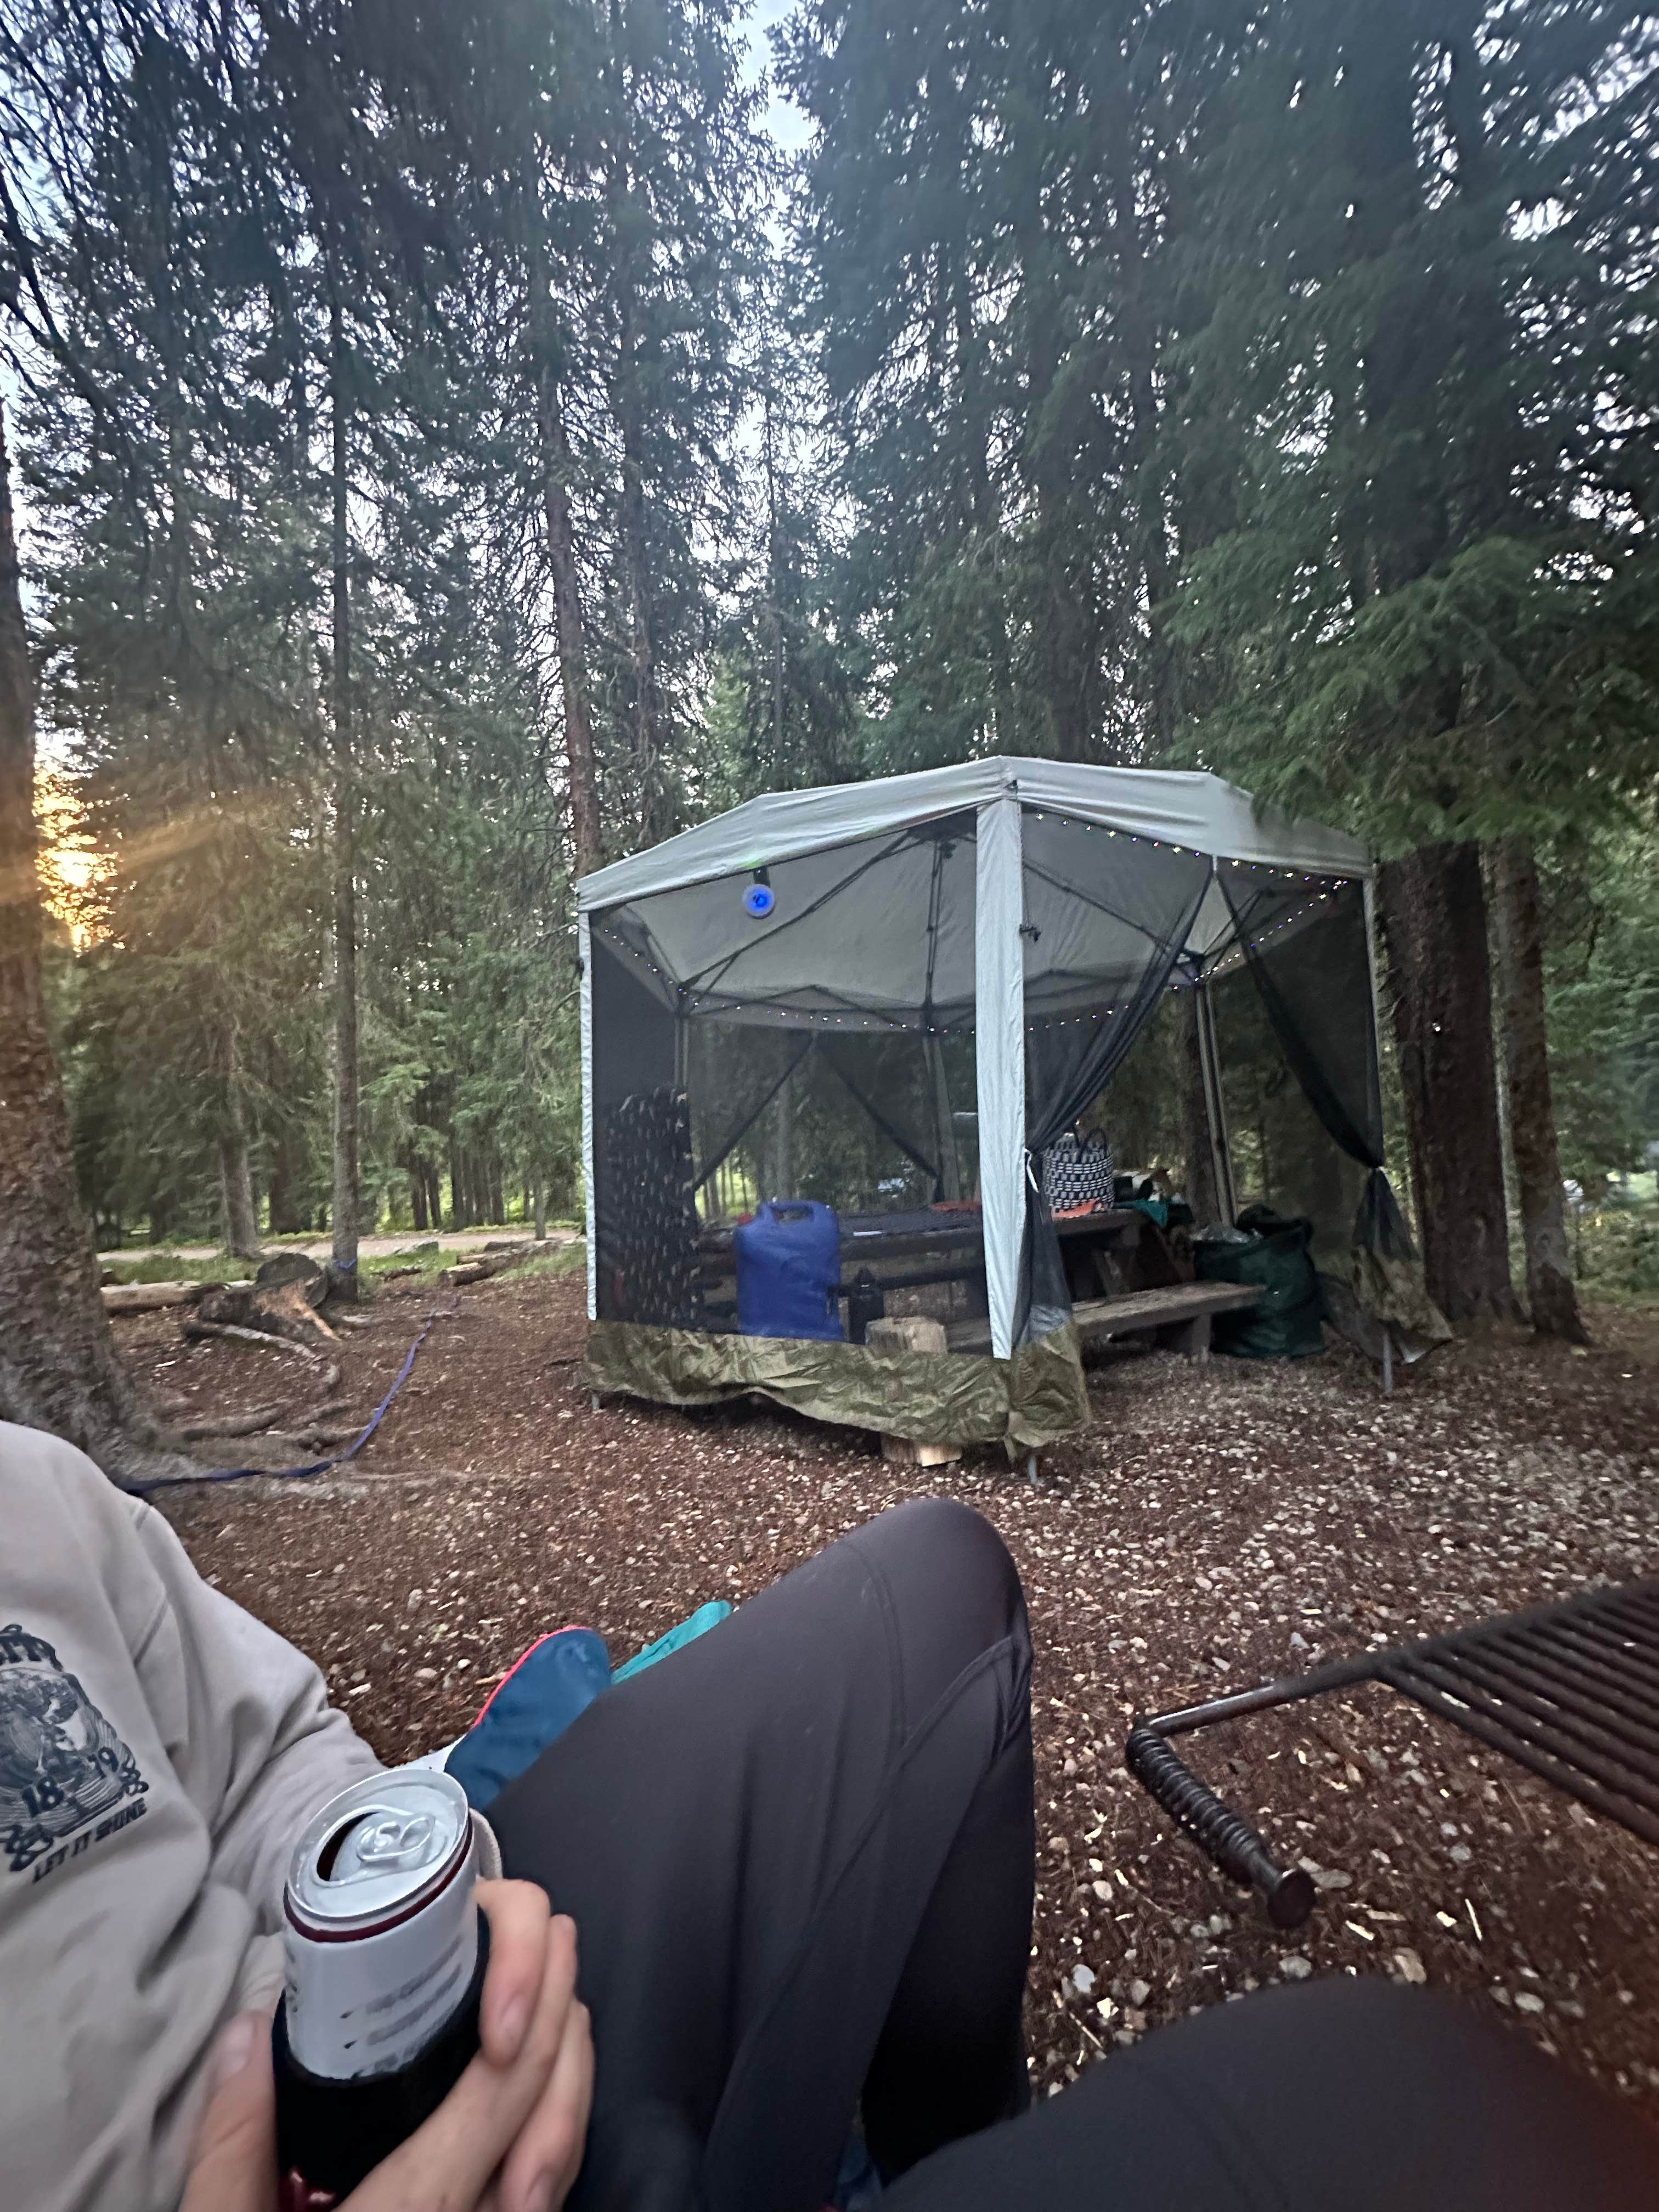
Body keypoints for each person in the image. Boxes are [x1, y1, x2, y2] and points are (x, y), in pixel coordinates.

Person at [3, 1418, 1657, 2212]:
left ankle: (953, 2159)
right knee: (1426, 2107)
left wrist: (422, 1905)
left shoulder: (28, 1490)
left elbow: (270, 1736)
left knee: (942, 1583)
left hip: (382, 2038)